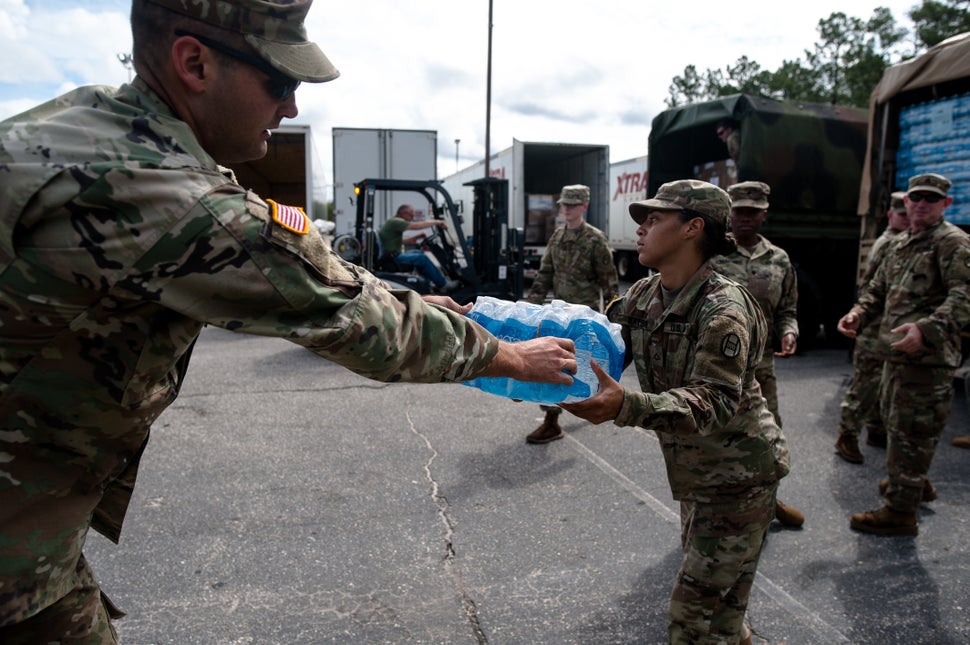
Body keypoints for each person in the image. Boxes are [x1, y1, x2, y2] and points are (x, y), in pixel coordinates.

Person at [0, 1, 579, 640]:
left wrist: (396, 294)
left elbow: (312, 273)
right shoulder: (165, 194)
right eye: (280, 82)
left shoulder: (87, 124)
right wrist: (513, 358)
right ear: (194, 62)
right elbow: (356, 320)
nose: (292, 107)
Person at [562, 179, 790, 645]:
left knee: (693, 622)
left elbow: (714, 401)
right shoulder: (645, 295)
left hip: (739, 478)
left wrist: (625, 405)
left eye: (654, 219)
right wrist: (505, 342)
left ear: (693, 229)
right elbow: (595, 339)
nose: (641, 230)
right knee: (719, 604)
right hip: (699, 473)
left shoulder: (723, 308)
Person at [837, 173, 970, 536]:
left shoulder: (953, 243)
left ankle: (900, 511)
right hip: (894, 356)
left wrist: (925, 329)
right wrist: (858, 313)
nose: (922, 204)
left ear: (946, 204)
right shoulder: (900, 244)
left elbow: (964, 296)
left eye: (931, 199)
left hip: (927, 360)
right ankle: (911, 483)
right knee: (899, 427)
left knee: (913, 430)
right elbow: (878, 289)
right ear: (906, 202)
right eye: (917, 198)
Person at [708, 181, 803, 528]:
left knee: (767, 435)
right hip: (716, 364)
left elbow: (787, 308)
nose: (745, 218)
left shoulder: (777, 258)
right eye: (739, 211)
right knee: (717, 435)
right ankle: (716, 509)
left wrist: (790, 330)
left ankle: (767, 502)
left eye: (753, 212)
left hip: (761, 366)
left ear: (764, 215)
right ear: (729, 213)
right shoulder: (710, 253)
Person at [523, 184, 619, 444]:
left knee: (577, 369)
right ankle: (553, 419)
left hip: (584, 320)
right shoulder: (557, 237)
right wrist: (529, 309)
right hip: (558, 316)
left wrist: (615, 320)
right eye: (564, 204)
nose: (566, 209)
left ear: (584, 207)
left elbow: (609, 282)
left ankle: (569, 413)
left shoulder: (595, 239)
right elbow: (544, 275)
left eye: (572, 205)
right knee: (555, 367)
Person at [834, 192, 909, 464]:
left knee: (882, 384)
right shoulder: (890, 244)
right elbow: (873, 289)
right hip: (876, 329)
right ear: (891, 216)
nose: (907, 219)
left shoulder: (900, 242)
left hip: (887, 328)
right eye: (902, 215)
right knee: (864, 386)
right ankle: (847, 435)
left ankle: (876, 431)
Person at [378, 203, 459, 292]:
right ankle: (443, 285)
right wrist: (437, 222)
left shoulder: (392, 221)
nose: (412, 218)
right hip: (393, 258)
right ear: (403, 213)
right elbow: (416, 226)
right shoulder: (396, 221)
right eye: (411, 215)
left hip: (393, 255)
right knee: (422, 258)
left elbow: (400, 241)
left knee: (419, 253)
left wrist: (418, 236)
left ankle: (430, 282)